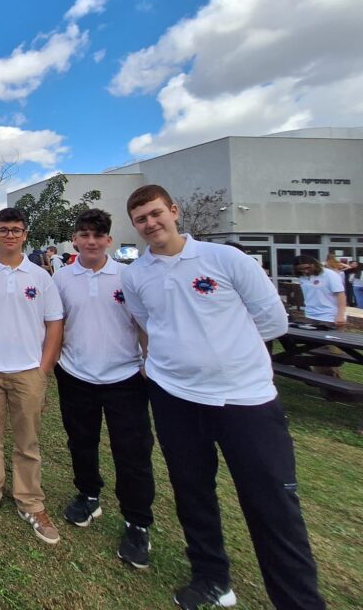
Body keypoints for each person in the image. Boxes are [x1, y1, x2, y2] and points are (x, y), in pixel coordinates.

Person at [121, 184, 325, 610]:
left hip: (245, 400)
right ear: (134, 225)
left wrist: (225, 355)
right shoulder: (136, 274)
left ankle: (298, 600)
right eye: (141, 219)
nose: (151, 223)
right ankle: (211, 578)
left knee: (272, 503)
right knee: (192, 492)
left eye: (156, 213)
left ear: (174, 210)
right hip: (174, 395)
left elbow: (272, 320)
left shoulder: (225, 259)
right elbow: (149, 323)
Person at [52, 208, 154, 567]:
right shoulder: (61, 278)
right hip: (75, 373)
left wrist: (147, 363)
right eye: (84, 235)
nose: (91, 241)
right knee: (81, 441)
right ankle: (88, 495)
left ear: (109, 240)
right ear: (75, 240)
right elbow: (56, 324)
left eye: (98, 236)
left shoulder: (129, 276)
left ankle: (137, 522)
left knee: (132, 452)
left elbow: (143, 324)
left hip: (125, 377)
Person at [0, 208, 64, 543]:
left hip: (28, 370)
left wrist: (44, 367)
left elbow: (54, 324)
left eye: (16, 230)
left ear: (25, 234)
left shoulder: (41, 277)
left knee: (28, 441)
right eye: (3, 229)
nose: (10, 235)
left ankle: (30, 502)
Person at [294, 255, 347, 329]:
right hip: (310, 314)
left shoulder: (329, 274)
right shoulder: (302, 277)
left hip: (329, 316)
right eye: (301, 269)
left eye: (308, 268)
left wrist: (340, 315)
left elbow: (340, 294)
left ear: (314, 264)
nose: (305, 271)